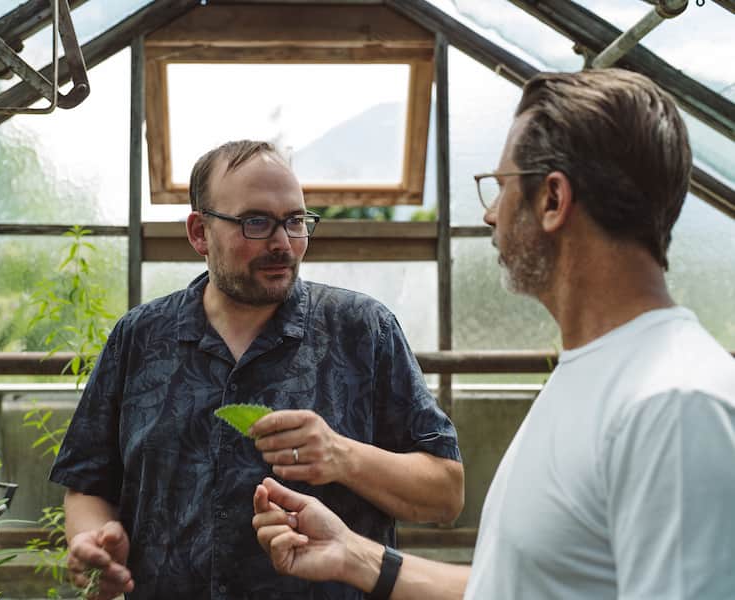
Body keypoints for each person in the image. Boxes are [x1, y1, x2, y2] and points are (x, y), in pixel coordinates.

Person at [253, 68, 735, 599]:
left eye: (501, 186)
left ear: (553, 200)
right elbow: (522, 586)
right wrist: (357, 555)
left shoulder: (674, 406)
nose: (488, 214)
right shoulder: (600, 372)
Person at [49, 139, 464, 599]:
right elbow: (88, 484)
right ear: (199, 233)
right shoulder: (140, 338)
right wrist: (94, 543)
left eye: (295, 221)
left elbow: (445, 494)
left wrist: (342, 456)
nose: (283, 243)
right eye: (256, 222)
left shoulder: (363, 332)